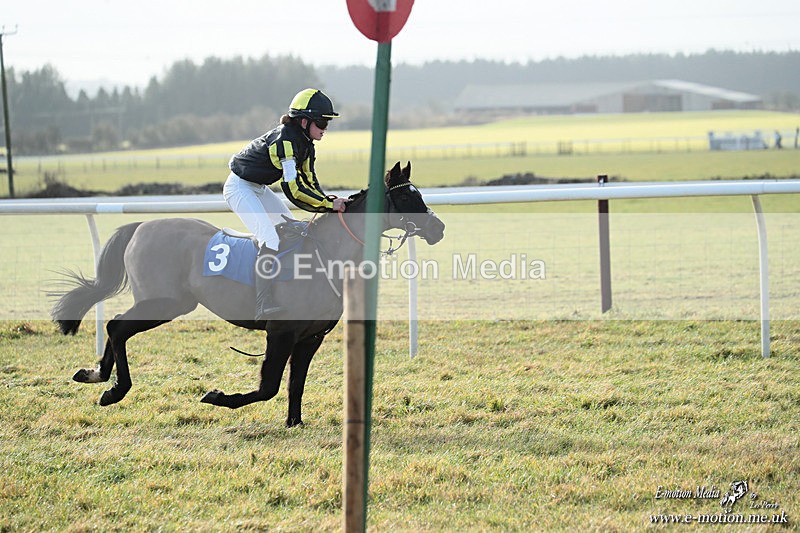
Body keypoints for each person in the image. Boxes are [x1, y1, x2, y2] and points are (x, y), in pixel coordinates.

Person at [224, 88, 346, 320]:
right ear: (303, 121)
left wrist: (326, 199)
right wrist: (327, 206)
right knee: (269, 237)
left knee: (292, 227)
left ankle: (289, 287)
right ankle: (262, 303)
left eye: (327, 123)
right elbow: (292, 189)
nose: (325, 128)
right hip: (239, 187)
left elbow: (309, 180)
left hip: (258, 188)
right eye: (321, 122)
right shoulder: (286, 142)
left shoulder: (306, 143)